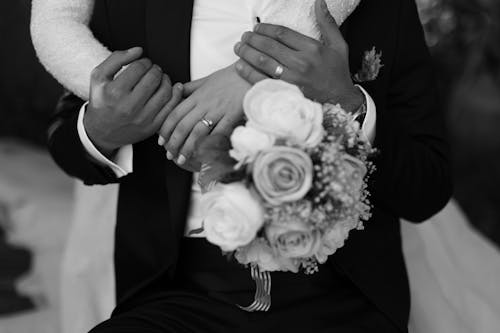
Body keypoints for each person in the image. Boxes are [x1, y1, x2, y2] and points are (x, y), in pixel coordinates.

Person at [46, 0, 452, 331]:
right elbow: (67, 141)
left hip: (342, 295)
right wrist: (103, 129)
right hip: (178, 294)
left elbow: (427, 189)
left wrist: (347, 102)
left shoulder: (373, 7)